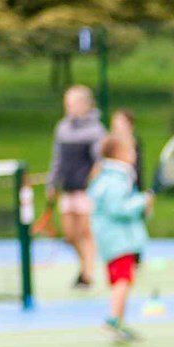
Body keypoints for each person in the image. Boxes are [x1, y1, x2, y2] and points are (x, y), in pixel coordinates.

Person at [87, 134, 152, 342]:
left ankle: (119, 322)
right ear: (119, 154)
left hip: (113, 240)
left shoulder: (111, 177)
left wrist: (142, 204)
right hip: (119, 241)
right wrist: (142, 202)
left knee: (120, 280)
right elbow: (119, 208)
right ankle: (112, 320)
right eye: (131, 151)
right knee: (123, 280)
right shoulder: (115, 180)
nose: (134, 155)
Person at [50, 85, 107, 288]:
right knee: (70, 235)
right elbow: (57, 158)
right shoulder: (62, 128)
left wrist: (93, 180)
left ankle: (87, 274)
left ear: (85, 104)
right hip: (67, 188)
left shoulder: (96, 130)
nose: (69, 107)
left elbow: (101, 160)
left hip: (86, 190)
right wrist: (52, 182)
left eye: (72, 103)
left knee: (86, 232)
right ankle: (84, 264)